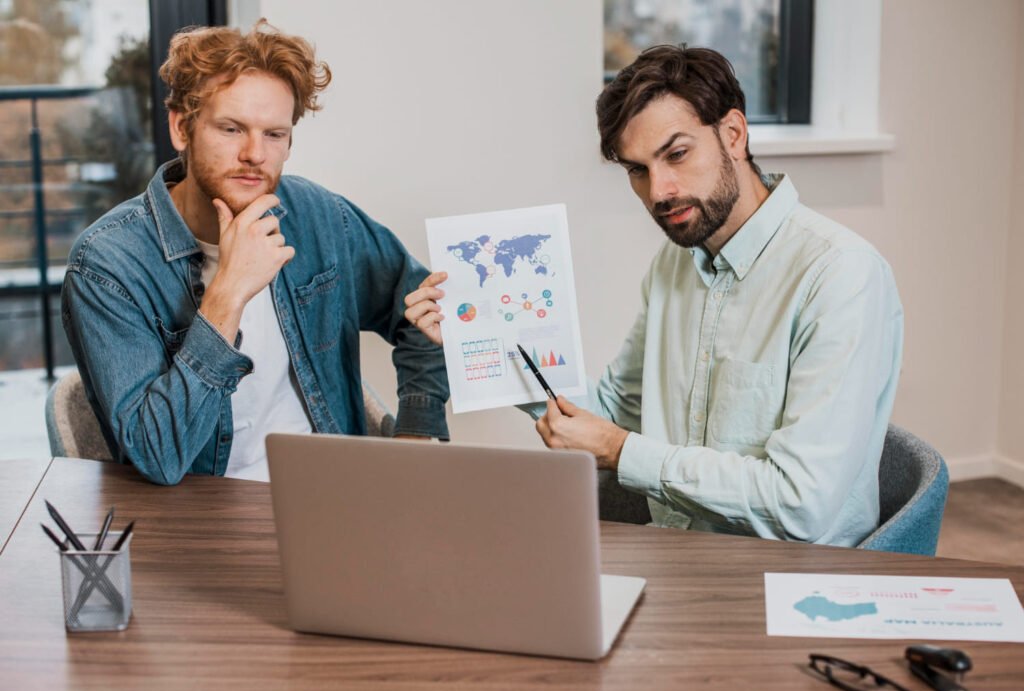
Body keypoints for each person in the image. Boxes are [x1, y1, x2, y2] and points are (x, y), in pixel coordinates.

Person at [403, 46, 903, 546]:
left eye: (677, 154)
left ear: (733, 134)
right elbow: (612, 410)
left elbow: (802, 504)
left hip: (793, 584)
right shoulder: (675, 264)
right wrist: (481, 340)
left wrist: (623, 452)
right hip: (678, 558)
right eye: (637, 170)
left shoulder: (840, 275)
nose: (659, 191)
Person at [62, 21, 449, 486]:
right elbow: (158, 456)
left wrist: (415, 441)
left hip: (339, 504)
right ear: (182, 128)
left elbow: (428, 311)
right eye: (231, 128)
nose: (254, 154)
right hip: (204, 523)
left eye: (274, 135)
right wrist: (227, 291)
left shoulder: (320, 217)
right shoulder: (107, 265)